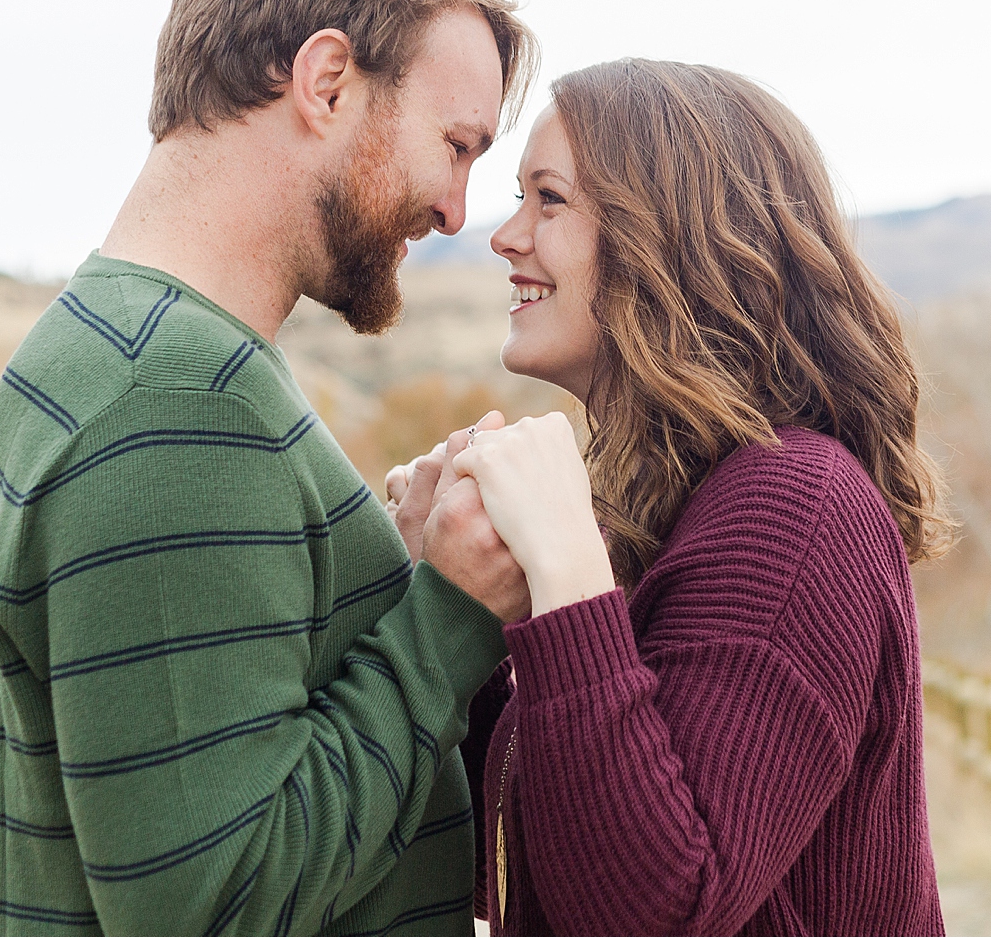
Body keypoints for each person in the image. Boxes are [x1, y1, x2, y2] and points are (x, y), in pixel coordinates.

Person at [0, 0, 538, 935]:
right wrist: (449, 613)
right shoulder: (175, 399)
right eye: (456, 145)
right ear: (326, 81)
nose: (457, 207)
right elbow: (212, 903)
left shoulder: (117, 340)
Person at [390, 58, 955, 935]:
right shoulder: (683, 500)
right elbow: (568, 830)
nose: (504, 236)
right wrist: (458, 595)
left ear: (670, 237)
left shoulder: (796, 508)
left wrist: (566, 567)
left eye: (549, 199)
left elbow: (658, 908)